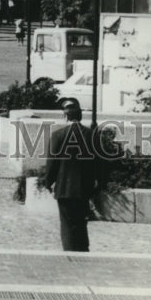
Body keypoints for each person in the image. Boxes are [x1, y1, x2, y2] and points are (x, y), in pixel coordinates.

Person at [44, 98, 101, 252]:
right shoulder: (90, 134)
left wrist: (48, 182)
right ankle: (83, 248)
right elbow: (97, 162)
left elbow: (52, 162)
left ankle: (70, 250)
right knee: (81, 220)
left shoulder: (58, 135)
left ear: (66, 116)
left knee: (67, 222)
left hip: (64, 186)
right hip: (84, 186)